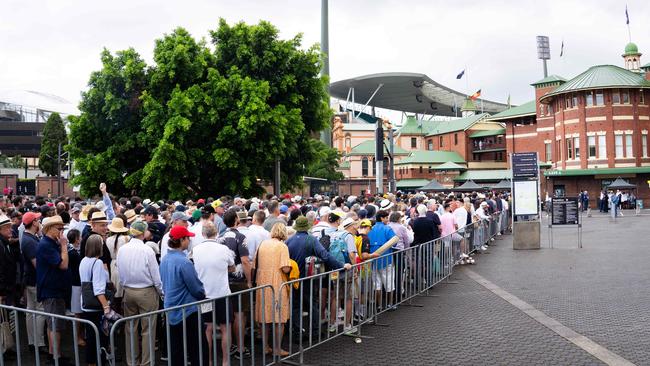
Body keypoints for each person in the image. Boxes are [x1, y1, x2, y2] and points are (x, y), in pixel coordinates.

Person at [286, 216, 349, 338]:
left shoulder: (289, 241)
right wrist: (341, 266)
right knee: (312, 306)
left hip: (293, 279)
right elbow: (325, 255)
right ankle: (315, 332)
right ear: (307, 227)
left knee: (295, 307)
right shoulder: (311, 240)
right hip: (308, 279)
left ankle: (297, 333)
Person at [117, 220, 163, 366]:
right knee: (148, 329)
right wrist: (161, 292)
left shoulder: (123, 249)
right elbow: (156, 276)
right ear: (143, 233)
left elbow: (120, 272)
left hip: (129, 290)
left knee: (130, 328)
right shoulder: (147, 250)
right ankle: (146, 362)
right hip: (146, 292)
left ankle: (132, 361)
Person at [159, 225, 205, 366]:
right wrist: (202, 294)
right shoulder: (184, 262)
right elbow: (196, 288)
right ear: (182, 240)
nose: (189, 241)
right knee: (196, 348)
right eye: (187, 238)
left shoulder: (165, 259)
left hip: (171, 309)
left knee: (176, 349)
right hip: (187, 310)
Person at [192, 222, 234, 366]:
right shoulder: (223, 249)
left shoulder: (196, 249)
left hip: (205, 295)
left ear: (203, 234)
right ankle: (225, 361)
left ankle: (208, 361)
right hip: (222, 294)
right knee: (225, 328)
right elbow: (232, 267)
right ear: (216, 233)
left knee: (207, 328)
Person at [35, 215, 70, 365]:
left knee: (53, 325)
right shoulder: (46, 245)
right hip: (52, 291)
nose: (62, 231)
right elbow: (63, 265)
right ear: (49, 229)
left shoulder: (49, 243)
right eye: (59, 228)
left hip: (54, 290)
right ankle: (56, 357)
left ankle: (54, 354)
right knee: (55, 326)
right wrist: (63, 246)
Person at [217, 209, 251, 359]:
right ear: (236, 220)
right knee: (239, 315)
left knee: (228, 315)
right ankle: (240, 348)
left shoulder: (220, 237)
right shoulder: (241, 236)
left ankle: (229, 346)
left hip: (224, 280)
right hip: (238, 281)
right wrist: (249, 281)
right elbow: (245, 260)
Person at [254, 223, 291, 357]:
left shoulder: (262, 244)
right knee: (279, 318)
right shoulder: (282, 246)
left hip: (262, 283)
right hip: (276, 283)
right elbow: (285, 268)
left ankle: (265, 347)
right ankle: (277, 348)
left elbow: (255, 264)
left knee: (265, 317)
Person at [79, 234, 113, 366]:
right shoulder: (97, 263)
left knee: (91, 337)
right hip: (97, 306)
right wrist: (106, 307)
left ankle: (91, 362)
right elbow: (98, 289)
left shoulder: (83, 261)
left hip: (86, 304)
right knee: (101, 337)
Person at [19, 211, 47, 352]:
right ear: (34, 223)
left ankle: (33, 342)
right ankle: (38, 343)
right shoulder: (30, 240)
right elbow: (38, 265)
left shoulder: (29, 237)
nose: (39, 221)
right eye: (37, 219)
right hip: (34, 280)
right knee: (39, 311)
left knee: (31, 311)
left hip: (30, 279)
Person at [368, 210, 399, 310]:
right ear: (382, 218)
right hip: (386, 259)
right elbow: (394, 243)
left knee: (376, 284)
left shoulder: (370, 229)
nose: (387, 220)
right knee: (389, 282)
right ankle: (390, 304)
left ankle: (379, 305)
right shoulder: (387, 229)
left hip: (373, 259)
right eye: (386, 218)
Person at [67, 229, 85, 347]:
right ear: (77, 239)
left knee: (80, 312)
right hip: (76, 284)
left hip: (77, 284)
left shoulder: (73, 251)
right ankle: (77, 337)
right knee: (78, 312)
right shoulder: (72, 253)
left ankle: (80, 336)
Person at [106, 217, 129, 310]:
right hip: (123, 265)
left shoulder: (108, 239)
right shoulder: (126, 238)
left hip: (112, 265)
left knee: (115, 291)